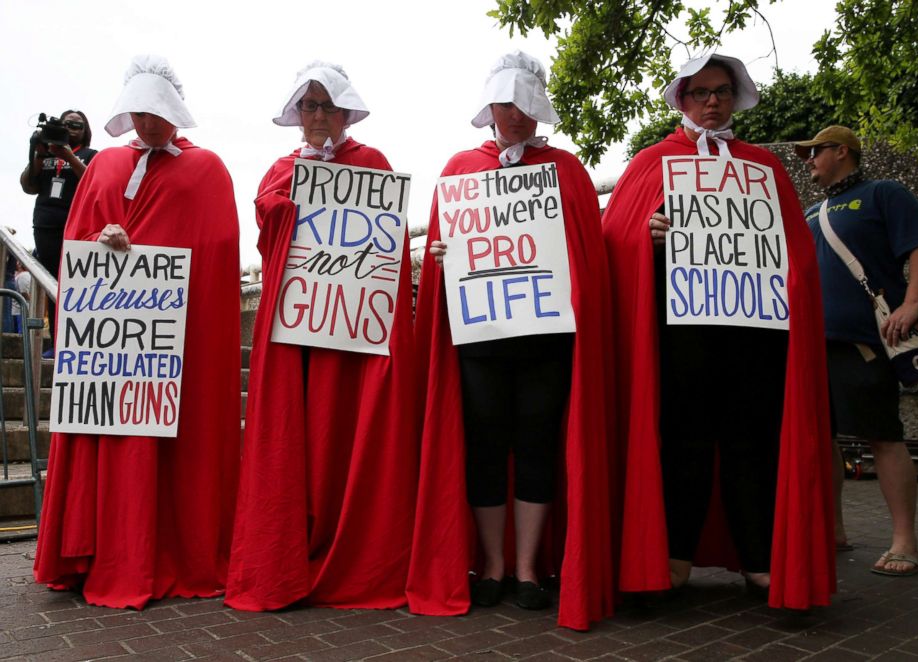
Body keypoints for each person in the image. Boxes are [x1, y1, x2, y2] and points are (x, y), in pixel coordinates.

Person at [601, 52, 834, 609]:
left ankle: (760, 561)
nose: (712, 101)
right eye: (700, 92)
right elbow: (613, 242)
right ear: (681, 99)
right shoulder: (651, 162)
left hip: (754, 336)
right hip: (679, 335)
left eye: (722, 91)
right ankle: (672, 557)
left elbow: (796, 256)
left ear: (736, 97)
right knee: (682, 439)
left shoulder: (763, 168)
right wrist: (647, 235)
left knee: (751, 441)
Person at [408, 51, 613, 630]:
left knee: (538, 448)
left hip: (546, 340)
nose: (514, 114)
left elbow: (587, 255)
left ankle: (527, 568)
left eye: (524, 103)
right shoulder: (459, 168)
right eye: (504, 103)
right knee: (485, 449)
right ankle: (492, 566)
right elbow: (439, 254)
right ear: (489, 107)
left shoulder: (566, 170)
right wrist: (441, 256)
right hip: (481, 341)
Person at [33, 55, 242, 608]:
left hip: (172, 348)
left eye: (158, 111)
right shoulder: (101, 168)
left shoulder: (208, 171)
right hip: (112, 342)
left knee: (167, 443)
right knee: (109, 436)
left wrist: (148, 255)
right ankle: (97, 551)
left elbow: (215, 259)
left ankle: (166, 551)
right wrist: (103, 246)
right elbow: (78, 245)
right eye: (139, 112)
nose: (149, 123)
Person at [225, 62, 419, 611]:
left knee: (344, 434)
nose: (316, 116)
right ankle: (290, 552)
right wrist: (276, 208)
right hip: (298, 329)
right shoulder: (281, 169)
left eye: (326, 106)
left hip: (353, 330)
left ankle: (350, 549)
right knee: (296, 436)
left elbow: (388, 250)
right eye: (307, 106)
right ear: (296, 114)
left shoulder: (373, 165)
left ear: (343, 112)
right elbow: (266, 227)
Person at [796, 125, 918, 577]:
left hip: (865, 342)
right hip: (813, 345)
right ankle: (834, 530)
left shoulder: (884, 193)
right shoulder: (812, 211)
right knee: (823, 441)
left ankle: (905, 543)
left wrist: (913, 305)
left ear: (842, 151)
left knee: (883, 437)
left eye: (815, 151)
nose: (808, 160)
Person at [20, 109, 98, 353]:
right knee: (52, 281)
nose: (72, 128)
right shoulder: (44, 153)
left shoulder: (90, 155)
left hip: (76, 224)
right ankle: (56, 343)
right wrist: (37, 155)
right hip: (45, 225)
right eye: (67, 124)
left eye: (77, 125)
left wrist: (68, 157)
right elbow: (28, 186)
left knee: (73, 283)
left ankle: (75, 343)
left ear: (86, 131)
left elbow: (94, 183)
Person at [12, 261, 31, 333]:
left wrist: (31, 300)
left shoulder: (23, 276)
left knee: (20, 333)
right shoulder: (24, 275)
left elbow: (24, 292)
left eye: (18, 263)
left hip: (19, 310)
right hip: (20, 310)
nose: (16, 264)